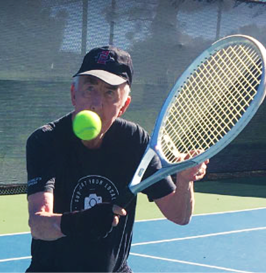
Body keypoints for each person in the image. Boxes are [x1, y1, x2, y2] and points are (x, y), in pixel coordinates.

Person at [25, 45, 209, 273]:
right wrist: (81, 223)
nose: (96, 102)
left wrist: (184, 180)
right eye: (90, 88)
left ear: (124, 105)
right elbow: (39, 225)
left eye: (109, 92)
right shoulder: (46, 141)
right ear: (74, 94)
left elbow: (179, 215)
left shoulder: (135, 141)